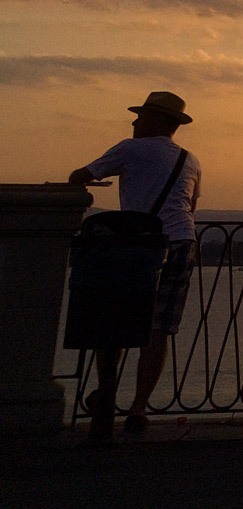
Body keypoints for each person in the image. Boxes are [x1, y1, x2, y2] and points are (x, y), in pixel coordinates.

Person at [67, 90, 204, 434]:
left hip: (140, 246)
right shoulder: (189, 159)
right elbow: (190, 207)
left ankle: (106, 397)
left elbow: (79, 175)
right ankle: (139, 409)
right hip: (182, 242)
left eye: (141, 116)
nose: (134, 121)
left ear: (157, 120)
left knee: (113, 319)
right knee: (160, 328)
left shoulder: (129, 149)